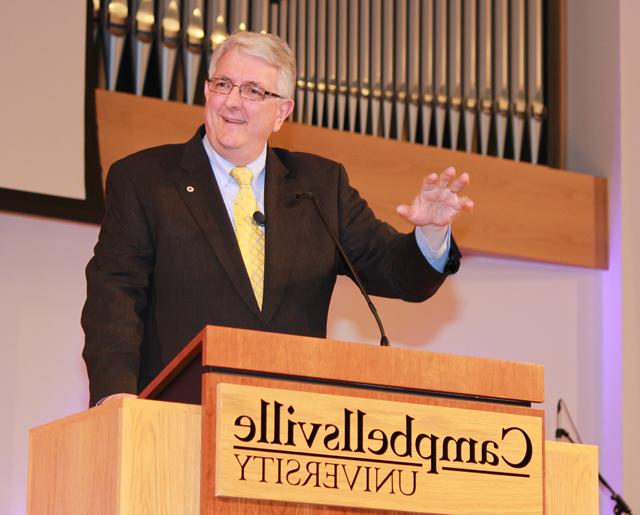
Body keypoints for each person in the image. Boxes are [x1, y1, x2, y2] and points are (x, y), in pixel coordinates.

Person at [82, 31, 473, 407]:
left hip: (289, 431)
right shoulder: (145, 179)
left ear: (282, 112)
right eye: (223, 84)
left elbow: (397, 273)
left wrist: (431, 232)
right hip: (176, 419)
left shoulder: (320, 186)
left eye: (253, 91)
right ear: (206, 90)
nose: (233, 102)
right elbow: (114, 296)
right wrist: (115, 398)